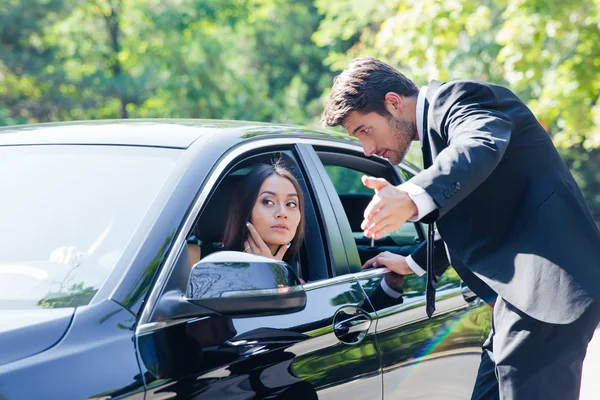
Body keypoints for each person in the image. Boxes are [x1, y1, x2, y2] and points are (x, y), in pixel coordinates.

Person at [321, 56, 600, 399]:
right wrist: (411, 264)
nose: (368, 149)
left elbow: (479, 145)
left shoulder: (462, 100)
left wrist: (411, 197)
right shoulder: (438, 132)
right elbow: (466, 211)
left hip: (548, 291)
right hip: (520, 300)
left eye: (364, 130)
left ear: (393, 103)